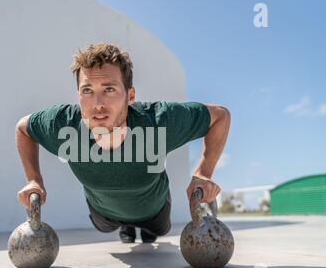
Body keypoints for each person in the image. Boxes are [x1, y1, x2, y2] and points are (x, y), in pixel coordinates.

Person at [15, 43, 230, 243]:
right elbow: (24, 128)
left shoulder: (158, 121)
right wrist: (34, 180)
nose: (97, 104)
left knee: (155, 232)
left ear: (131, 95)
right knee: (108, 227)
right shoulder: (63, 125)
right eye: (87, 90)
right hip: (104, 215)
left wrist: (203, 173)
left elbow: (220, 116)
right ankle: (126, 227)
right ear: (78, 95)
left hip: (154, 211)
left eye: (109, 89)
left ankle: (143, 228)